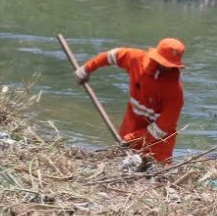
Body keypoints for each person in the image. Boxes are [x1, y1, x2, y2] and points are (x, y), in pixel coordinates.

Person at [75, 38, 185, 168]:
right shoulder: (136, 59)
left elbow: (161, 129)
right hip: (130, 127)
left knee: (154, 174)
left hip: (157, 146)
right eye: (162, 63)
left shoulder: (175, 92)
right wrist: (87, 68)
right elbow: (112, 55)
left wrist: (131, 139)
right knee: (120, 168)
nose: (165, 68)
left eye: (169, 66)